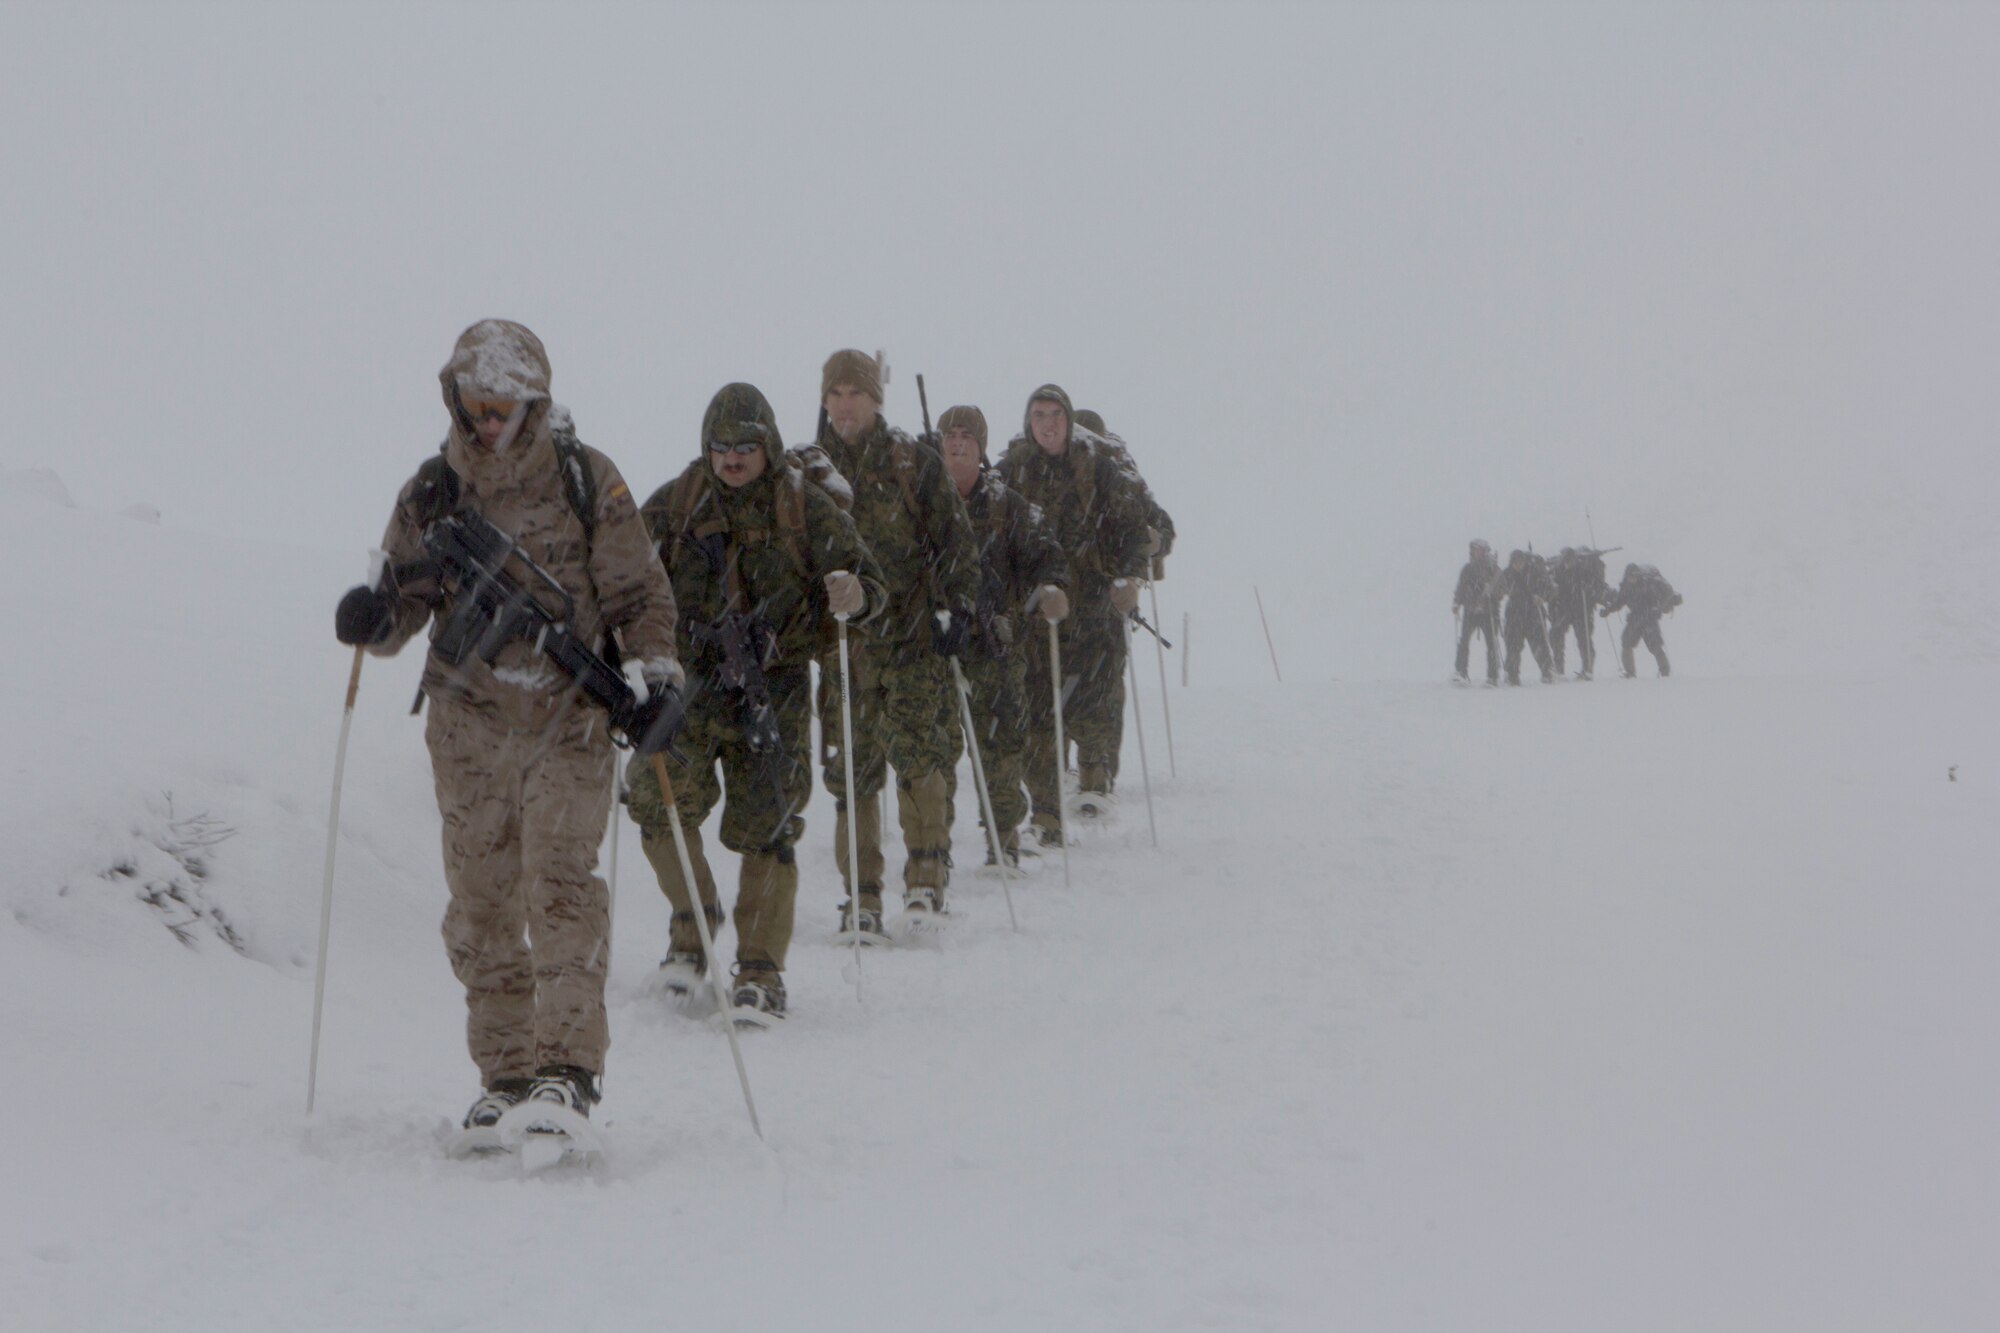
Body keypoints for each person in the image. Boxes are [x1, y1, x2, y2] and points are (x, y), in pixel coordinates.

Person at [332, 319, 681, 1131]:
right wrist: (374, 616)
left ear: (534, 403)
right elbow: (401, 606)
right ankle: (508, 1074)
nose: (488, 421)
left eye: (504, 406)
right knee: (482, 904)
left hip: (570, 720)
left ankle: (567, 1071)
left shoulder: (587, 479)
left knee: (557, 888)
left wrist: (656, 675)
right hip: (470, 725)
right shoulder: (431, 492)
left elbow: (639, 596)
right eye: (476, 404)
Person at [627, 383, 884, 1022]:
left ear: (767, 446)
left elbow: (869, 581)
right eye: (720, 447)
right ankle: (692, 927)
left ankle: (761, 969)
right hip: (688, 685)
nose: (732, 458)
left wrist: (856, 594)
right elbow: (622, 567)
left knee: (768, 825)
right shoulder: (679, 502)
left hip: (776, 689)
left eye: (745, 446)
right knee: (653, 795)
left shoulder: (804, 507)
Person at [811, 350, 980, 935]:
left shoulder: (913, 462)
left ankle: (926, 878)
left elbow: (957, 543)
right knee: (851, 773)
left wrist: (956, 608)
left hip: (911, 641)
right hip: (843, 650)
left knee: (919, 762)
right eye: (833, 394)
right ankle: (860, 894)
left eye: (853, 393)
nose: (843, 405)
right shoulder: (808, 469)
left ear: (875, 399)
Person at [996, 384, 1152, 834]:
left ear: (1068, 420)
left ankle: (1096, 776)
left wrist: (1130, 576)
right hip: (1037, 611)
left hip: (1095, 607)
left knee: (1098, 694)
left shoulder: (1099, 469)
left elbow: (1133, 528)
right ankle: (1046, 809)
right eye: (1039, 414)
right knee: (1040, 709)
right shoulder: (1011, 471)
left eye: (1055, 414)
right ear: (1029, 421)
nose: (1047, 423)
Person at [935, 404, 1070, 866]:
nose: (958, 442)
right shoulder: (921, 502)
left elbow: (1048, 557)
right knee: (936, 748)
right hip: (937, 643)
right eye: (950, 435)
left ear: (981, 446)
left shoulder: (1009, 506)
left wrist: (1052, 591)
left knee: (1002, 745)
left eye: (967, 436)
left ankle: (1004, 833)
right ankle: (933, 850)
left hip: (995, 645)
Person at [1072, 408, 1174, 581]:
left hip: (1107, 587)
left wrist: (1155, 543)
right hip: (1111, 587)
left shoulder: (1122, 481)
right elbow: (1162, 526)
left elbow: (1162, 527)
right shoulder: (1125, 481)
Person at [1602, 562, 1683, 677]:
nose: (1632, 579)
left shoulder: (1647, 585)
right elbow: (1619, 601)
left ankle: (1665, 671)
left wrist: (1657, 609)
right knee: (1626, 642)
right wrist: (1608, 610)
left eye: (1634, 576)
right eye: (1630, 576)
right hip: (1636, 618)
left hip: (1648, 618)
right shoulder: (1626, 587)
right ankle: (1630, 672)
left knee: (1655, 646)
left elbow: (1658, 599)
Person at [1548, 547, 1611, 679]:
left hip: (1582, 610)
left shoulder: (1583, 571)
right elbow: (1553, 590)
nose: (1568, 563)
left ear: (1575, 560)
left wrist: (1588, 589)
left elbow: (1595, 586)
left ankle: (1587, 669)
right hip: (1566, 609)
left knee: (1583, 639)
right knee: (1556, 634)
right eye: (1566, 560)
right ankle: (1559, 668)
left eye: (1570, 560)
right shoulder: (1558, 572)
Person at [1496, 548, 1556, 686]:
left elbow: (1549, 588)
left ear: (1524, 561)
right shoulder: (1507, 574)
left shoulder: (1534, 572)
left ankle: (1547, 672)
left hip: (1533, 612)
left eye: (1520, 561)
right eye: (1515, 562)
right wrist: (1500, 593)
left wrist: (1542, 597)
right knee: (1513, 645)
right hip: (1514, 613)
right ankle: (1512, 675)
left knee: (1539, 643)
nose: (1518, 565)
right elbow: (1498, 591)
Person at [1452, 539, 1501, 685]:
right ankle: (1461, 672)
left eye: (1477, 549)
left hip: (1489, 611)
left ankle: (1492, 676)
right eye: (1473, 549)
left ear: (1484, 551)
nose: (1474, 552)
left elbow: (1502, 588)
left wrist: (1493, 593)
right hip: (1471, 609)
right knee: (1464, 642)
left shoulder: (1493, 569)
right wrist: (1457, 602)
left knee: (1491, 643)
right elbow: (1461, 587)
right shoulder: (1467, 569)